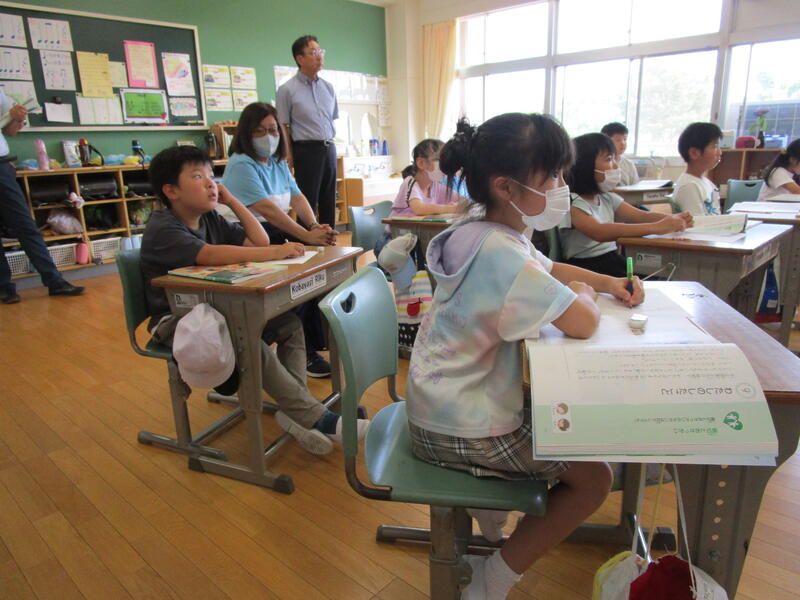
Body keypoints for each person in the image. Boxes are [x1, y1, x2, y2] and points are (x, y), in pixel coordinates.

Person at [405, 113, 646, 600]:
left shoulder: (479, 229)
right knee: (594, 478)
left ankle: (491, 511)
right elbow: (582, 322)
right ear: (506, 186)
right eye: (552, 176)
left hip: (439, 401)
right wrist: (584, 294)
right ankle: (491, 581)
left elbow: (549, 266)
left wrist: (608, 282)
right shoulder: (502, 253)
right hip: (459, 424)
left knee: (564, 419)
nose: (561, 187)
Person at [140, 146, 367, 455]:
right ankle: (315, 417)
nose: (211, 184)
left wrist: (232, 201)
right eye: (197, 176)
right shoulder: (163, 227)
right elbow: (210, 254)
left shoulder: (210, 217)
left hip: (217, 310)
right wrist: (274, 252)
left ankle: (296, 410)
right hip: (175, 322)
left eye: (211, 176)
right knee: (245, 336)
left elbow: (258, 239)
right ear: (171, 191)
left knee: (289, 324)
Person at [221, 101, 336, 377]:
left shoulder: (277, 162)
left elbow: (297, 197)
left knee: (313, 275)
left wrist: (314, 225)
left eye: (273, 130)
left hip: (273, 231)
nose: (269, 137)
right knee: (296, 281)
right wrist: (307, 235)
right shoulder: (241, 164)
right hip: (244, 237)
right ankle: (291, 348)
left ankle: (304, 348)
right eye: (260, 131)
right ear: (246, 133)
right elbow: (268, 210)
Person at [558, 133, 692, 277]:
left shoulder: (606, 197)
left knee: (657, 279)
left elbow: (641, 216)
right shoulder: (573, 202)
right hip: (585, 267)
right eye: (609, 159)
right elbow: (599, 231)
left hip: (611, 259)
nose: (616, 165)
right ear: (585, 166)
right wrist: (657, 227)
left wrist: (675, 219)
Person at [0, 90, 84, 304]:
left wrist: (16, 119)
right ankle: (4, 288)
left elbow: (9, 131)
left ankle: (55, 281)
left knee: (24, 224)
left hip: (1, 166)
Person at [276, 35, 338, 227]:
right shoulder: (287, 90)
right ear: (300, 58)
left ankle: (330, 240)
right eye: (313, 52)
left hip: (329, 147)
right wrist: (288, 154)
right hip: (306, 149)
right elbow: (283, 125)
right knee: (308, 200)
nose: (319, 56)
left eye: (320, 51)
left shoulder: (328, 88)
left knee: (329, 200)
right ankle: (307, 241)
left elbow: (332, 119)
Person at [374, 139, 464, 257]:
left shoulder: (436, 185)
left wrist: (466, 205)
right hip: (391, 243)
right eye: (440, 160)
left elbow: (463, 201)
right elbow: (419, 208)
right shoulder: (410, 182)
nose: (446, 165)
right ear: (421, 163)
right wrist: (452, 208)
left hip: (415, 242)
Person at [673, 122, 724, 216]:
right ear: (694, 153)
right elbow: (697, 223)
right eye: (715, 146)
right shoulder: (688, 186)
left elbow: (717, 216)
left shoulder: (708, 183)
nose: (720, 152)